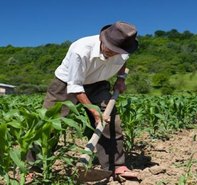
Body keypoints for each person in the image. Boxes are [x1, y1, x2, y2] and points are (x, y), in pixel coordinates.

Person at [29, 21, 139, 179]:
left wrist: (121, 78)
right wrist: (94, 112)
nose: (113, 53)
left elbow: (123, 62)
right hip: (66, 84)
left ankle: (116, 165)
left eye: (117, 51)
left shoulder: (124, 49)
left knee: (111, 121)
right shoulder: (80, 50)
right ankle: (33, 168)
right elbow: (75, 87)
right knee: (50, 124)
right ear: (103, 40)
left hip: (98, 83)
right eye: (111, 49)